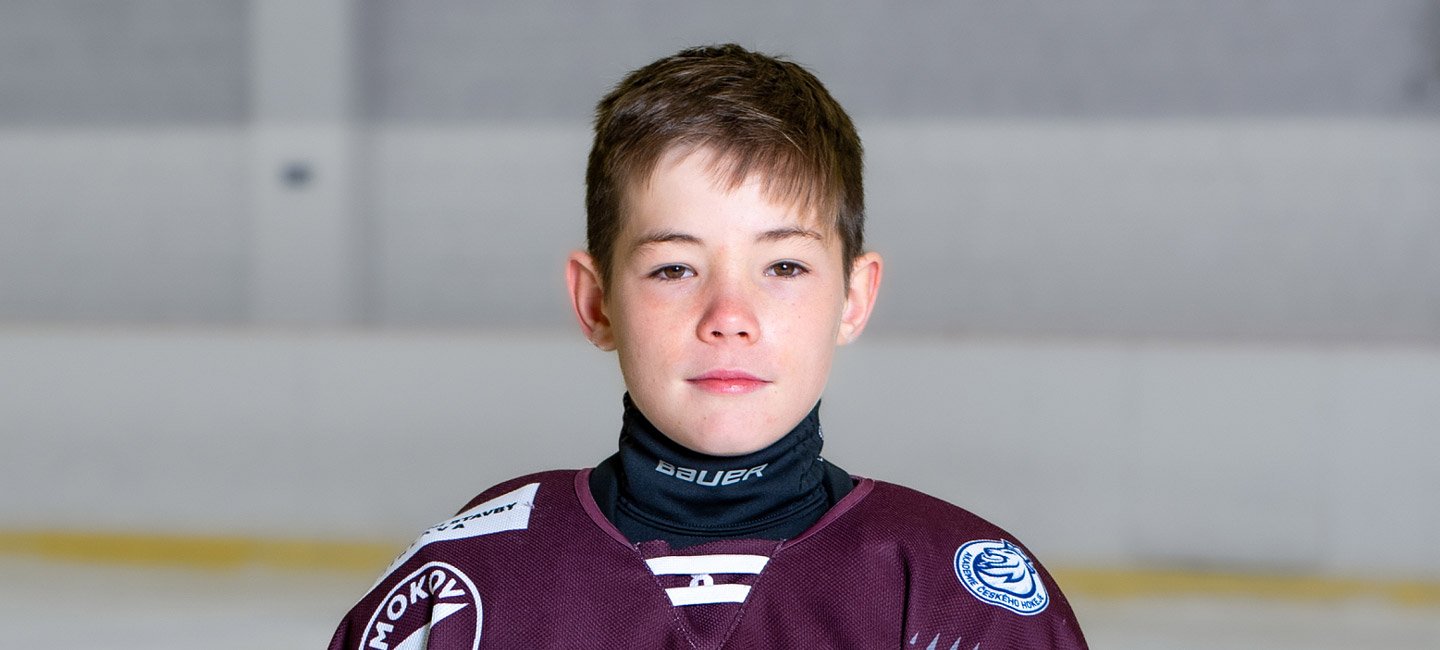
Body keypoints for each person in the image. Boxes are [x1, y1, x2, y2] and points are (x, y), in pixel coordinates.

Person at [328, 43, 1087, 649]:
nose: (729, 316)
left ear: (853, 299)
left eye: (784, 267)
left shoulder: (958, 600)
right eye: (674, 269)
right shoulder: (465, 586)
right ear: (597, 302)